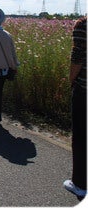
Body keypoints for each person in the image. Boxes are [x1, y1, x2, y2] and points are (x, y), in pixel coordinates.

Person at [63, 16, 86, 199]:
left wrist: (71, 80)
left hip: (84, 91)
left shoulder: (83, 25)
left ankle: (80, 184)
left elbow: (77, 58)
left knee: (81, 137)